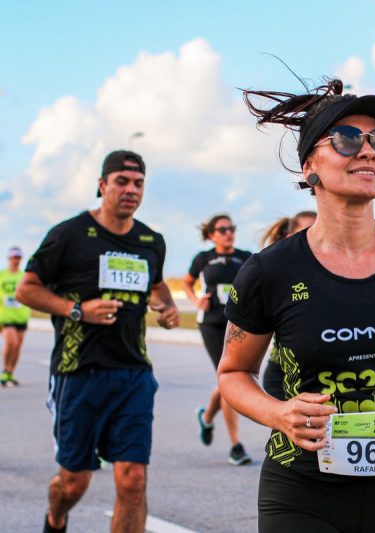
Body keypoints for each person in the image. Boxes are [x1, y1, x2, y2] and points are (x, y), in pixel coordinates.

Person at [219, 78, 375, 533]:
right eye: (349, 138)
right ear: (310, 163)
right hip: (304, 490)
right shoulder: (269, 271)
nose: (369, 151)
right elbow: (233, 373)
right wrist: (279, 414)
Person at [16, 149, 180, 533]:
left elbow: (157, 287)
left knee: (133, 481)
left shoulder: (150, 240)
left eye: (138, 183)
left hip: (133, 373)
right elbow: (27, 290)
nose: (131, 190)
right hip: (78, 373)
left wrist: (167, 308)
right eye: (121, 182)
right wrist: (77, 310)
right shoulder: (69, 235)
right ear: (101, 185)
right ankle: (56, 518)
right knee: (73, 483)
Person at [183, 214, 252, 465]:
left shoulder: (246, 257)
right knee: (229, 379)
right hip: (211, 323)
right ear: (211, 234)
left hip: (238, 322)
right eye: (222, 229)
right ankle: (236, 446)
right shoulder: (203, 259)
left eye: (231, 228)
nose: (228, 233)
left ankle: (207, 418)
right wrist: (195, 300)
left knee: (226, 380)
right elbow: (187, 283)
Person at [257, 210, 317, 396]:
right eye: (308, 231)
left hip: (323, 379)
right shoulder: (275, 273)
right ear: (290, 236)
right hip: (284, 377)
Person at [0, 246, 31, 387]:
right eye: (14, 258)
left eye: (18, 258)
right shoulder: (2, 275)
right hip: (5, 317)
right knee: (11, 342)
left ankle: (10, 372)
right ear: (9, 259)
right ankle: (5, 370)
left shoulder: (23, 276)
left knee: (17, 346)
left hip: (21, 316)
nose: (16, 260)